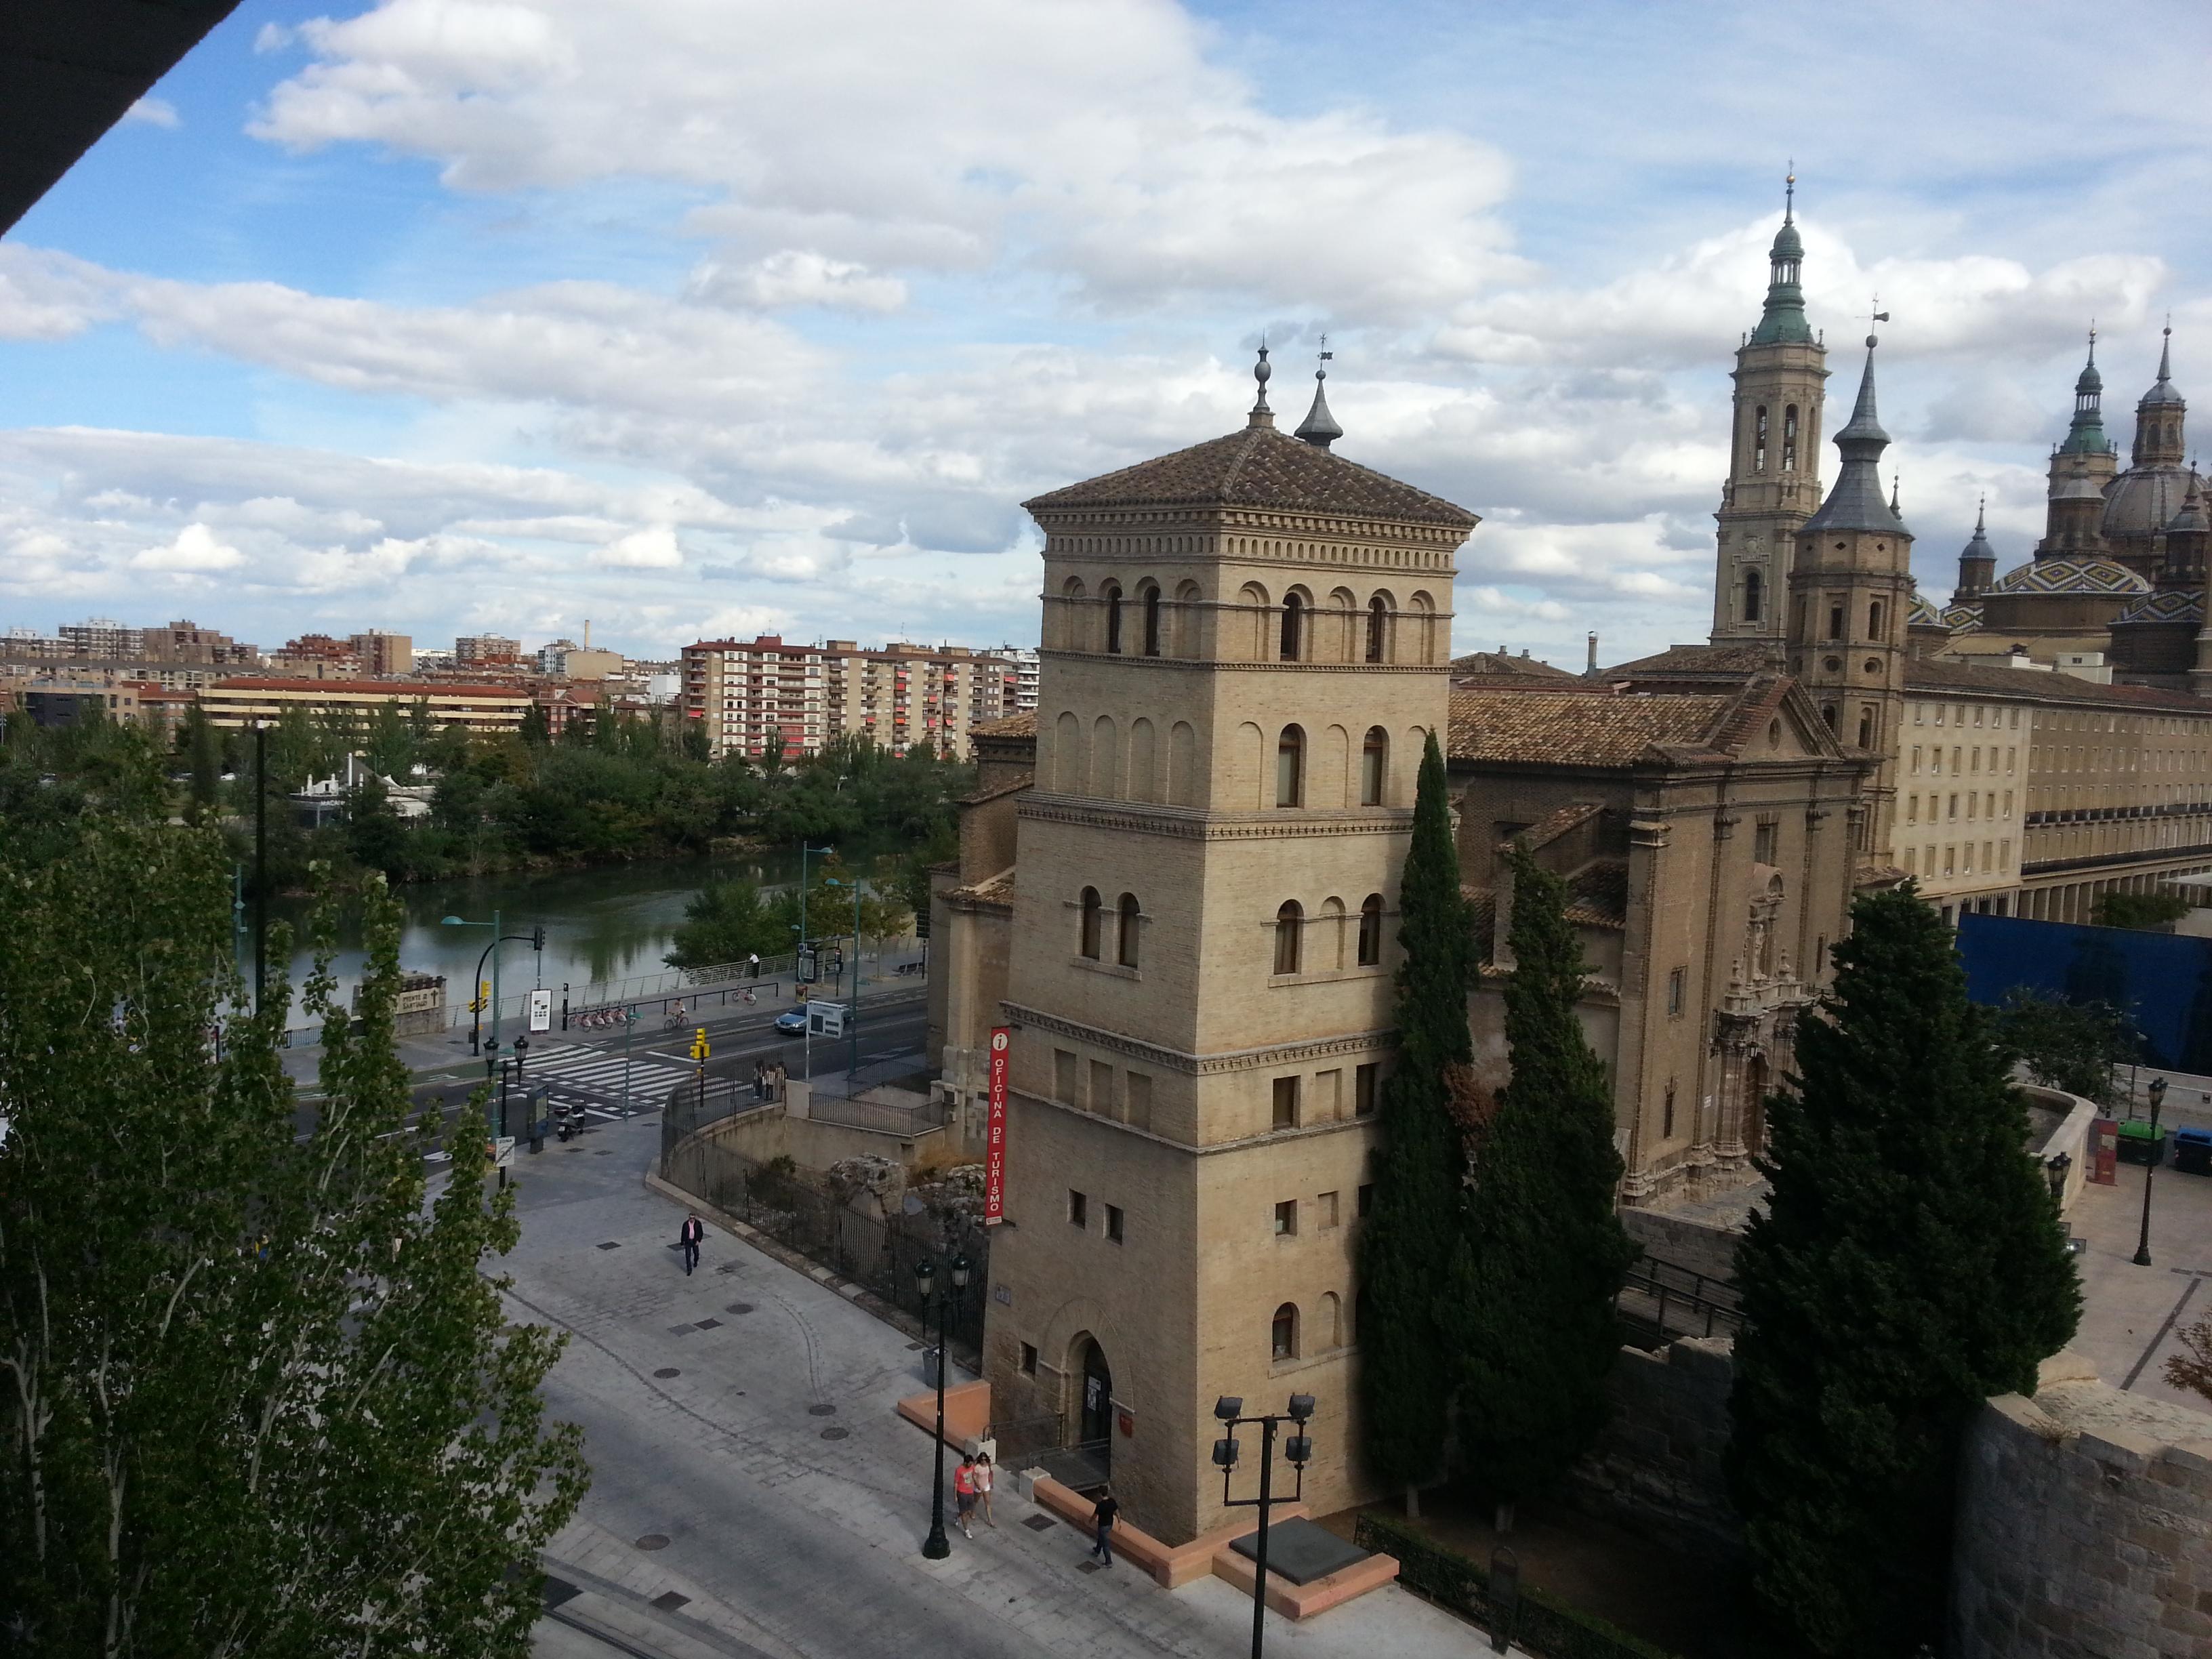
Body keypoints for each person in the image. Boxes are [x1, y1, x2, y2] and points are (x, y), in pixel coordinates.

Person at [1090, 1485, 1118, 1564]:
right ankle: (1097, 1550)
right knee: (1101, 1537)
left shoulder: (1100, 1505)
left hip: (1103, 1525)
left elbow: (1095, 1515)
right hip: (1110, 1524)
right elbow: (1117, 1511)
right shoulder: (1112, 1501)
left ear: (1100, 1494)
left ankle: (1108, 1561)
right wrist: (1119, 1520)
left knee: (1105, 1544)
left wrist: (1090, 1521)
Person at [953, 1452, 977, 1540]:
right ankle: (967, 1530)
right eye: (970, 1464)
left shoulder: (972, 1468)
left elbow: (974, 1476)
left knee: (968, 1511)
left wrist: (978, 1485)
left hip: (970, 1492)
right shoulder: (959, 1470)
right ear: (966, 1463)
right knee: (965, 1513)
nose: (971, 1465)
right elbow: (956, 1483)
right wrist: (955, 1495)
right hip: (962, 1493)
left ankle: (957, 1515)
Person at [678, 1211, 704, 1275]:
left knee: (696, 1254)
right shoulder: (686, 1224)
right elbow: (683, 1233)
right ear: (689, 1218)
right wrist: (682, 1242)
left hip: (695, 1241)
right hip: (688, 1241)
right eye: (690, 1218)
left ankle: (696, 1261)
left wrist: (699, 1241)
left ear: (694, 1218)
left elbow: (701, 1233)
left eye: (693, 1218)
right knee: (688, 1256)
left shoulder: (698, 1224)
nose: (692, 1219)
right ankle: (689, 1270)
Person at [974, 1452, 996, 1528]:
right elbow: (975, 1477)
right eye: (982, 1460)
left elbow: (990, 1473)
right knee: (975, 1501)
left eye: (985, 1459)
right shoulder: (977, 1467)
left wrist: (991, 1482)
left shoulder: (988, 1465)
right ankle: (972, 1512)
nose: (984, 1461)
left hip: (986, 1485)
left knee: (988, 1503)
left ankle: (990, 1520)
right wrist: (978, 1485)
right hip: (979, 1487)